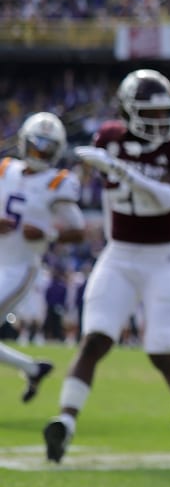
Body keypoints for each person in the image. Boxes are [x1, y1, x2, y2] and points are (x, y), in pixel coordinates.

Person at [50, 70, 170, 464]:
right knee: (95, 339)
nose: (161, 123)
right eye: (150, 115)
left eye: (165, 113)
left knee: (160, 350)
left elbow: (169, 199)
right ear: (128, 112)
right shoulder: (110, 139)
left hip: (163, 259)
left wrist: (120, 171)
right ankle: (65, 421)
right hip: (119, 254)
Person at [0, 114, 85, 401]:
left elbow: (78, 230)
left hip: (19, 268)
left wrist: (48, 234)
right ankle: (32, 369)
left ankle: (32, 369)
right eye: (36, 146)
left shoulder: (58, 182)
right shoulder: (5, 169)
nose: (40, 153)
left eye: (47, 148)